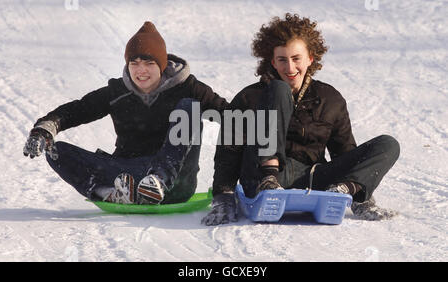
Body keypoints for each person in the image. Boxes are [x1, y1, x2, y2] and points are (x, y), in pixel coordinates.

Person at [202, 13, 400, 225]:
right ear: (272, 62)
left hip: (312, 177)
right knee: (278, 89)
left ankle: (345, 192)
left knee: (388, 144)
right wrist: (223, 197)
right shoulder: (249, 97)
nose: (290, 68)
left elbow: (345, 152)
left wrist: (361, 190)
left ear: (310, 58)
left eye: (296, 59)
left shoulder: (329, 98)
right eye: (282, 60)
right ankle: (270, 180)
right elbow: (229, 152)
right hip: (259, 175)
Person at [23, 21, 228, 205]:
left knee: (189, 107)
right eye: (134, 63)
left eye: (149, 63)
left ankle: (157, 181)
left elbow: (230, 116)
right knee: (56, 150)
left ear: (162, 64)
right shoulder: (117, 92)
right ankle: (111, 193)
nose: (141, 71)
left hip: (176, 182)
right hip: (129, 176)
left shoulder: (188, 87)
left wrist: (252, 166)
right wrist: (44, 130)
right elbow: (78, 109)